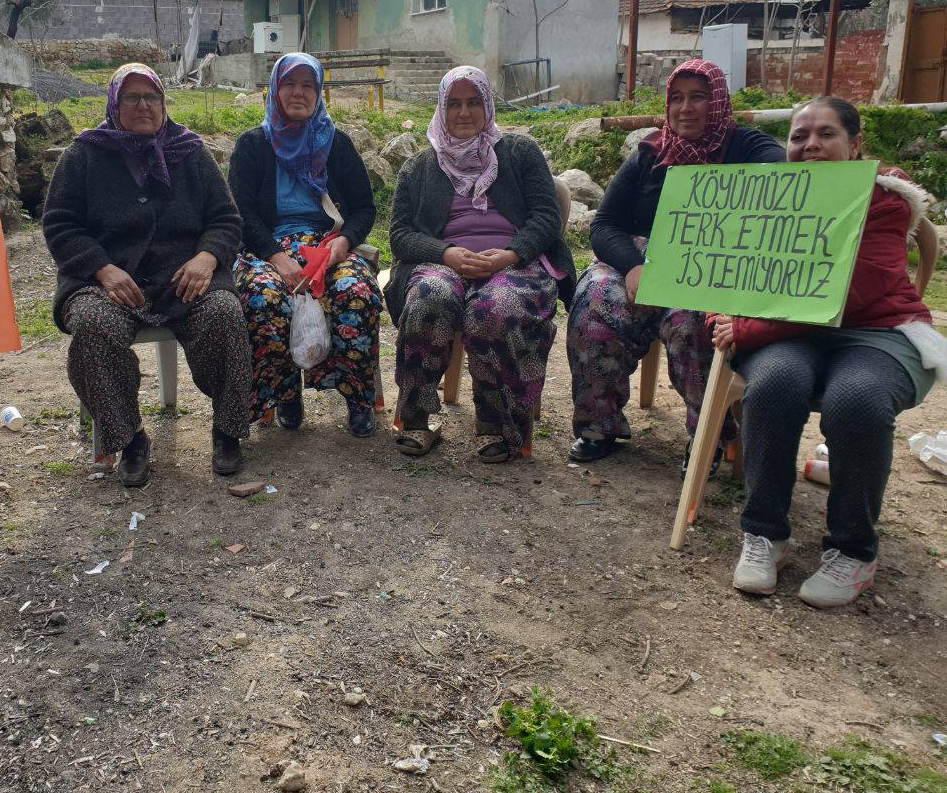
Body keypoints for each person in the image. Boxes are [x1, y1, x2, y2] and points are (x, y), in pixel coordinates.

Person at [711, 96, 946, 608]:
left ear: (855, 144)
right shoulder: (765, 198)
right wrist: (721, 315)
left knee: (857, 399)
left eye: (826, 134)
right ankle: (765, 534)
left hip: (879, 332)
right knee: (775, 386)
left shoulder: (883, 198)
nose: (810, 145)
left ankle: (854, 551)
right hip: (788, 337)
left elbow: (847, 288)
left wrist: (746, 329)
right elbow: (722, 269)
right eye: (799, 136)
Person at [566, 59, 784, 468]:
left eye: (698, 97)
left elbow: (779, 189)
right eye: (677, 98)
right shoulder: (650, 152)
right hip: (643, 260)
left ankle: (708, 439)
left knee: (691, 322)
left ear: (717, 102)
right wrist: (633, 266)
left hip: (713, 267)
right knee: (595, 300)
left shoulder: (751, 149)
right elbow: (606, 224)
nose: (686, 108)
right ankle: (599, 426)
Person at [43, 63, 251, 487]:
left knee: (225, 314)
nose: (143, 106)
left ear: (164, 103)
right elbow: (60, 224)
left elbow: (226, 219)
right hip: (110, 280)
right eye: (132, 98)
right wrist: (101, 268)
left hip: (183, 277)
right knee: (93, 325)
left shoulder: (190, 150)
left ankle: (227, 429)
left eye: (151, 97)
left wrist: (207, 258)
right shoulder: (84, 154)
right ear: (114, 104)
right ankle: (130, 438)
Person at [385, 66, 575, 461]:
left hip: (513, 263)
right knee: (429, 296)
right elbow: (400, 234)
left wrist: (511, 254)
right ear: (441, 108)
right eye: (453, 104)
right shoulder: (419, 167)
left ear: (488, 104)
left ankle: (498, 425)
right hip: (444, 263)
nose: (464, 113)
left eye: (474, 102)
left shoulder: (520, 153)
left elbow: (546, 216)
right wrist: (446, 254)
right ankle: (418, 419)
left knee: (498, 307)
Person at [229, 52, 382, 438]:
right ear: (275, 90)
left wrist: (344, 243)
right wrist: (276, 257)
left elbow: (364, 208)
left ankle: (357, 397)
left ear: (319, 92)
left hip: (329, 244)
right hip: (268, 247)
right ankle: (284, 393)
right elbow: (240, 213)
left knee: (356, 292)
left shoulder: (336, 143)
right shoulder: (253, 145)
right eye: (290, 84)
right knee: (263, 297)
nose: (299, 92)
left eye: (308, 85)